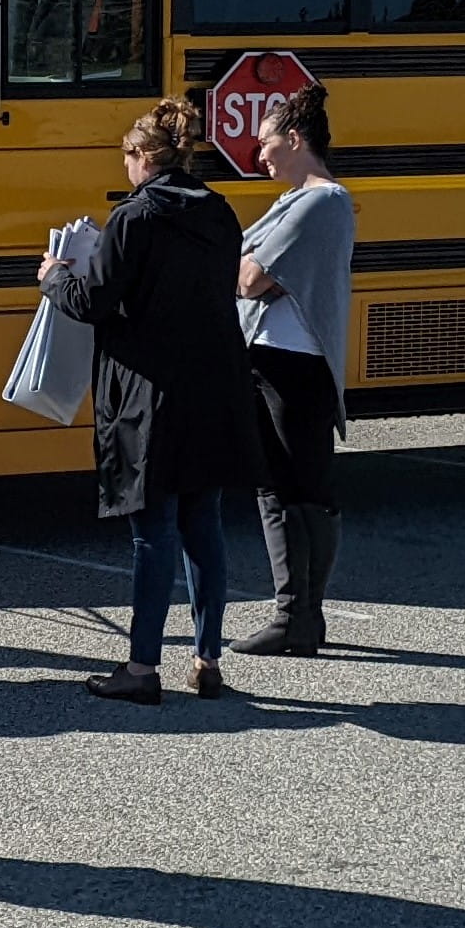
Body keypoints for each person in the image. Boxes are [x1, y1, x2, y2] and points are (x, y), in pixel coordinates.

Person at [40, 98, 263, 704]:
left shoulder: (135, 218)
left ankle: (141, 667)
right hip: (215, 384)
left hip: (151, 390)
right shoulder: (220, 212)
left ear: (144, 156)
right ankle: (207, 658)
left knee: (153, 529)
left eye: (126, 157)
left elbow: (92, 301)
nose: (125, 167)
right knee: (204, 523)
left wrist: (54, 275)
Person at [231, 84, 355, 657]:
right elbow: (250, 267)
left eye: (266, 143)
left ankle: (296, 616)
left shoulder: (320, 203)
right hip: (273, 358)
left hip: (293, 364)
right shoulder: (295, 202)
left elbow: (249, 278)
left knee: (293, 487)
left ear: (296, 139)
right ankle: (300, 616)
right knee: (284, 486)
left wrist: (252, 270)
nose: (259, 155)